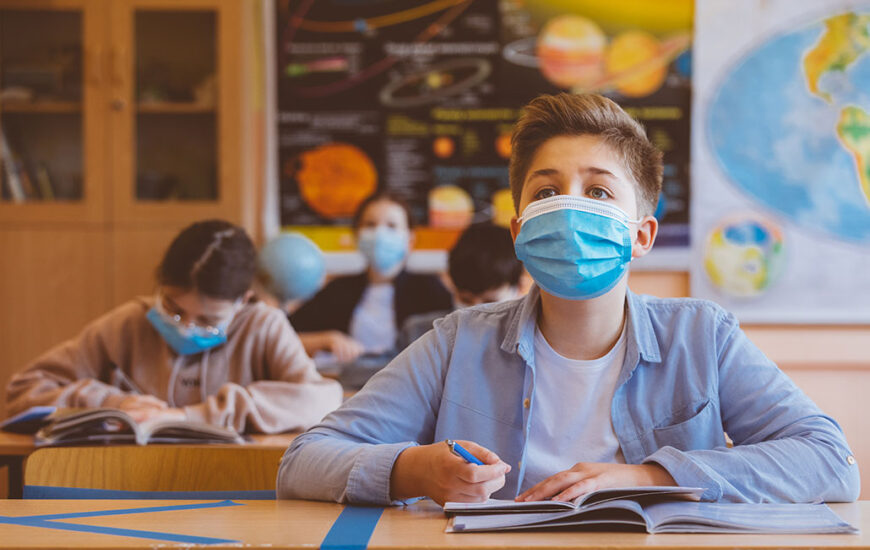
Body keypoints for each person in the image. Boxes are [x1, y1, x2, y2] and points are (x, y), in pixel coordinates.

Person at [276, 92, 860, 506]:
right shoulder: (458, 342)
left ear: (641, 236)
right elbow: (304, 459)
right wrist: (411, 470)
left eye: (599, 190)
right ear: (519, 230)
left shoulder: (703, 337)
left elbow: (831, 462)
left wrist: (647, 477)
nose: (571, 206)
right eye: (547, 190)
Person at [5, 220, 343, 433]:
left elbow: (322, 400)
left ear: (243, 302)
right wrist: (111, 402)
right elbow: (22, 390)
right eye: (173, 308)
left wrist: (195, 416)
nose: (185, 327)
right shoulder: (128, 323)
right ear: (160, 285)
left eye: (208, 320)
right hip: (124, 487)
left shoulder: (263, 325)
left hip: (233, 491)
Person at [291, 191, 452, 363]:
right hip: (351, 386)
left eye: (391, 226)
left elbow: (450, 345)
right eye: (370, 224)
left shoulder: (430, 290)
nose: (379, 233)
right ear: (357, 235)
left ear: (410, 239)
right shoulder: (337, 290)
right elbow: (287, 336)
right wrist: (327, 339)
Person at [398, 221, 524, 349]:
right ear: (449, 284)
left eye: (490, 302)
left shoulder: (530, 340)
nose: (477, 312)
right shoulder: (420, 334)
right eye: (466, 300)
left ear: (519, 287)